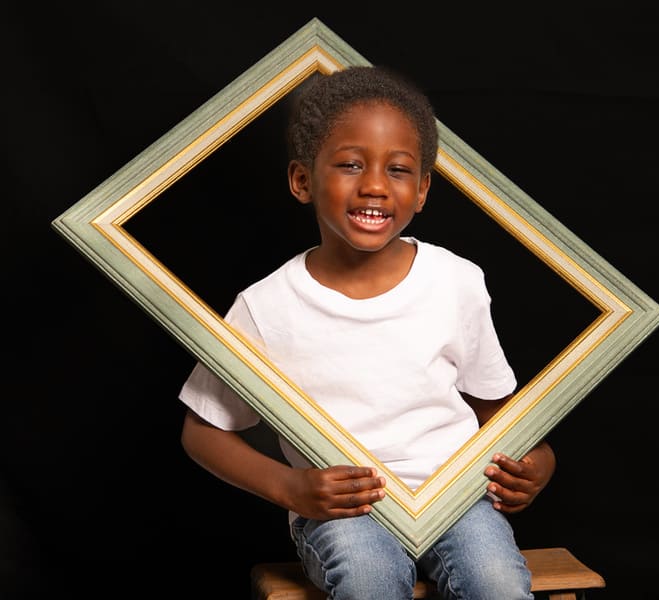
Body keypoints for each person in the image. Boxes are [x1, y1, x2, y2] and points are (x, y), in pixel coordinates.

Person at [178, 65, 556, 600]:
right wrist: (291, 489)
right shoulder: (265, 307)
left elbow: (496, 410)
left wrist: (539, 460)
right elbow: (202, 431)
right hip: (344, 512)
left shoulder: (455, 281)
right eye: (351, 164)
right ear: (302, 180)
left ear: (423, 189)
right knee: (368, 580)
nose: (375, 185)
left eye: (399, 170)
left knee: (494, 580)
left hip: (456, 497)